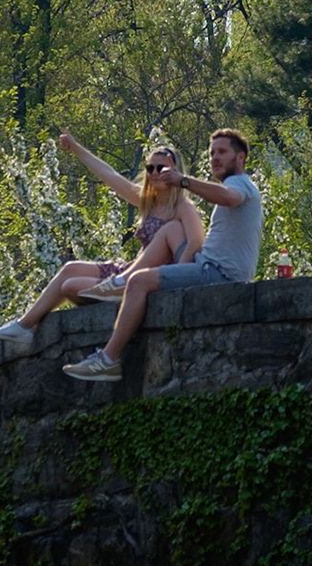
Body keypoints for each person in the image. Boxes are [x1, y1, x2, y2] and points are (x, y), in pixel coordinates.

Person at [63, 127, 261, 381]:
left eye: (222, 152)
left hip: (219, 273)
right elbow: (110, 176)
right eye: (212, 153)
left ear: (241, 157)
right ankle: (119, 285)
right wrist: (76, 147)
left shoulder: (239, 184)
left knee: (139, 281)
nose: (215, 158)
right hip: (205, 265)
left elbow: (230, 198)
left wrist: (184, 181)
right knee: (170, 230)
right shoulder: (154, 200)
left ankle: (108, 359)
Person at [0, 132, 203, 344]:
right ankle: (25, 326)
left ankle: (120, 293)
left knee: (71, 287)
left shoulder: (182, 207)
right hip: (129, 269)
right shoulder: (147, 201)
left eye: (161, 168)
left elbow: (195, 243)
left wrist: (177, 276)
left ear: (175, 171)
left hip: (149, 278)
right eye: (150, 168)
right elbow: (110, 175)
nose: (155, 173)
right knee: (70, 271)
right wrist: (76, 148)